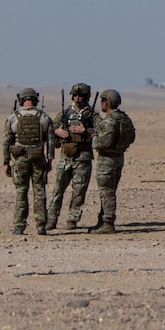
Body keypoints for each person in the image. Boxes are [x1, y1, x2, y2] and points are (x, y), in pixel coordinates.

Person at [2, 88, 54, 235]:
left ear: (21, 100)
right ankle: (41, 226)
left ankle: (19, 226)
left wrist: (6, 162)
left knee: (21, 192)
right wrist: (49, 160)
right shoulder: (43, 117)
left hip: (21, 159)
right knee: (39, 191)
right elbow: (51, 140)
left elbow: (6, 141)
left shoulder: (13, 118)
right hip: (39, 158)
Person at [47, 82, 97, 231]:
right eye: (75, 95)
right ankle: (51, 218)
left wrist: (86, 131)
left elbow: (102, 132)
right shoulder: (65, 113)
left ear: (86, 97)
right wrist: (57, 132)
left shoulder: (93, 115)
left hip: (83, 157)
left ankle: (72, 219)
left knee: (79, 191)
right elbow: (51, 127)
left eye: (81, 95)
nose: (77, 98)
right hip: (66, 156)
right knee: (58, 190)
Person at [88, 88, 137, 233]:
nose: (102, 104)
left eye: (103, 101)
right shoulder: (124, 118)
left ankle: (108, 223)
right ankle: (102, 220)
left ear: (107, 102)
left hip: (107, 159)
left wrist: (93, 138)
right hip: (119, 157)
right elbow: (131, 137)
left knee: (106, 191)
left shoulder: (110, 121)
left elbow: (104, 142)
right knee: (110, 190)